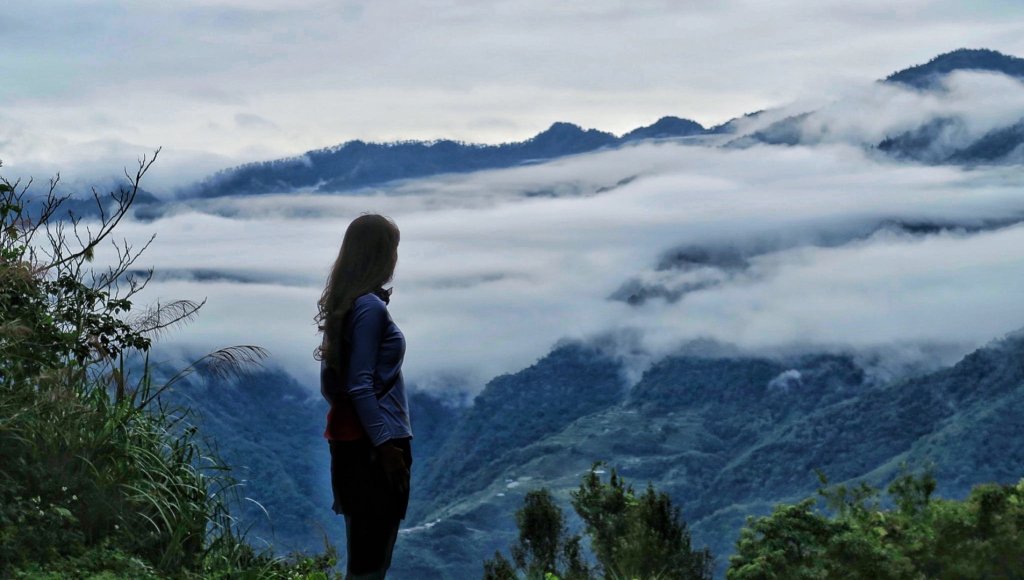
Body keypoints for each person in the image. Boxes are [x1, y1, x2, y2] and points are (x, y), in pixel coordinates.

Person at [315, 213, 412, 579]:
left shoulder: (346, 305)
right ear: (381, 254)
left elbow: (331, 384)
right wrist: (386, 445)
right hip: (380, 443)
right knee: (374, 558)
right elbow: (360, 384)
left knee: (363, 551)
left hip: (352, 444)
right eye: (392, 248)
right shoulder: (370, 307)